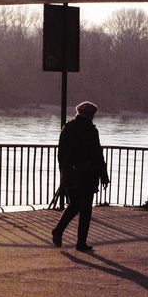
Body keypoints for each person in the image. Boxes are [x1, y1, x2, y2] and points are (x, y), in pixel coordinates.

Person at [52, 101, 110, 253]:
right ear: (91, 115)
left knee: (74, 205)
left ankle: (59, 230)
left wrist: (63, 172)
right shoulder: (91, 130)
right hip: (87, 175)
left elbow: (61, 153)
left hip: (70, 174)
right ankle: (80, 242)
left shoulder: (67, 127)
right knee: (85, 210)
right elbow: (97, 155)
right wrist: (104, 175)